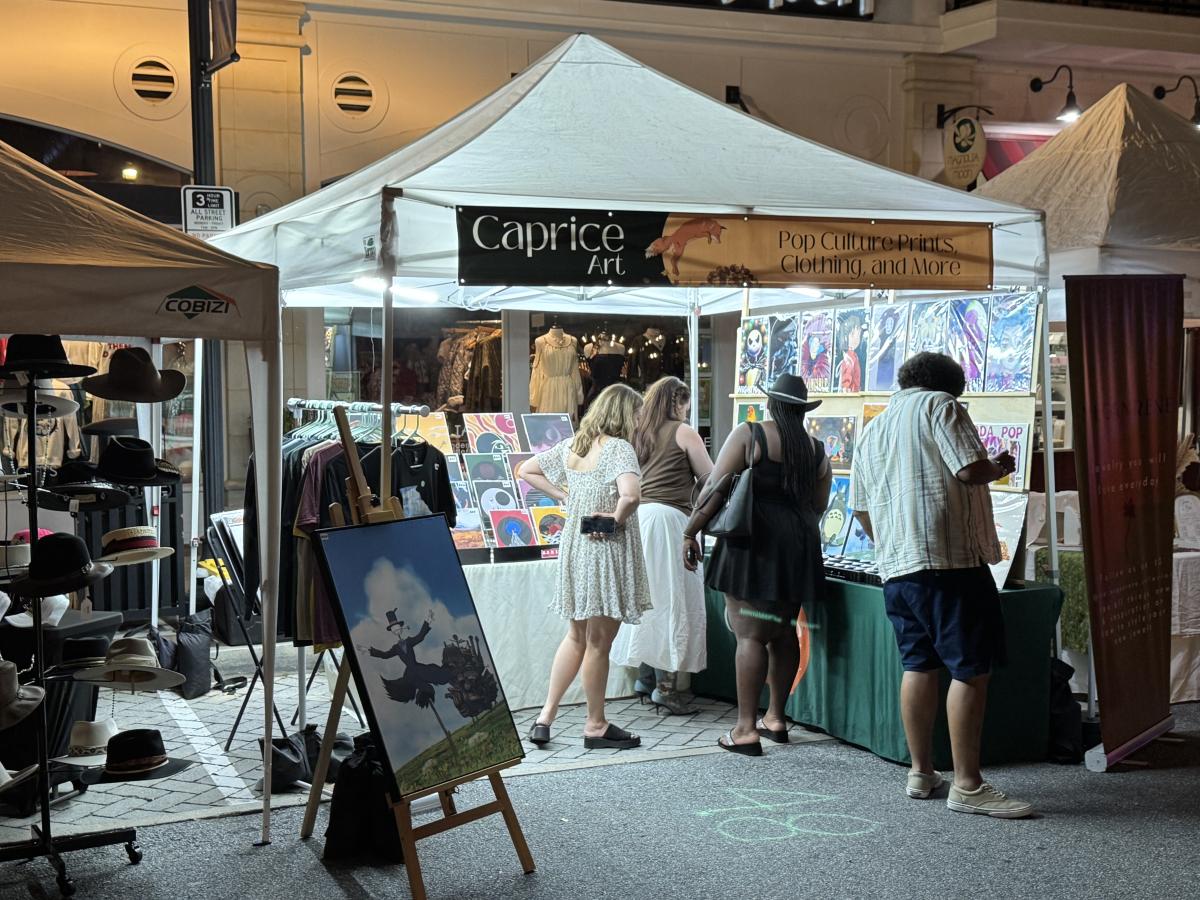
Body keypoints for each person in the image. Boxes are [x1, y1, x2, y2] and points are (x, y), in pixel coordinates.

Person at [850, 351, 1033, 819]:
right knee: (970, 668)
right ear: (951, 386)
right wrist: (1000, 465)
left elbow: (862, 511)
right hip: (949, 561)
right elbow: (969, 469)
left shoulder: (873, 428)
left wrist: (895, 542)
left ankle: (921, 771)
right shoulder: (941, 405)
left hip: (899, 567)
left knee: (919, 664)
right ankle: (967, 784)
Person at [684, 373, 831, 756]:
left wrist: (690, 531)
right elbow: (819, 504)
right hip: (798, 545)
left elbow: (714, 489)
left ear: (771, 403)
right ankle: (776, 719)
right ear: (801, 410)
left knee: (749, 636)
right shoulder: (816, 449)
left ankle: (745, 730)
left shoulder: (750, 435)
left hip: (753, 540)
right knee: (783, 632)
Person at [518, 383, 651, 750]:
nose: (640, 421)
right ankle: (595, 725)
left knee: (576, 636)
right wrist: (613, 520)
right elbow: (631, 495)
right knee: (598, 643)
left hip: (576, 547)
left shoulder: (574, 446)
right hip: (605, 548)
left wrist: (566, 497)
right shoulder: (619, 448)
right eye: (637, 414)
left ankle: (545, 718)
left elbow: (527, 470)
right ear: (624, 414)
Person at [611, 376, 714, 715]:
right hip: (669, 521)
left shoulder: (636, 432)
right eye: (686, 405)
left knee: (645, 599)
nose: (687, 412)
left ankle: (645, 678)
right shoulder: (683, 433)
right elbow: (711, 478)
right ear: (677, 402)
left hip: (638, 519)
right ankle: (666, 688)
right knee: (671, 601)